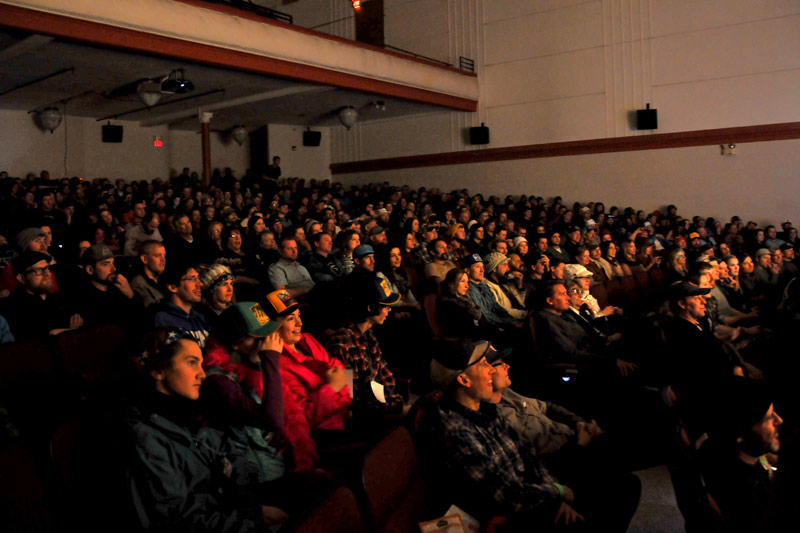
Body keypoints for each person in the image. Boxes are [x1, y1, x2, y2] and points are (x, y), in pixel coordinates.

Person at [126, 327, 328, 531]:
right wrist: (256, 517)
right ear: (158, 370)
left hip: (235, 508)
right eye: (191, 363)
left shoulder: (195, 414)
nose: (201, 374)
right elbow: (178, 519)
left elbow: (239, 472)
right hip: (219, 522)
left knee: (315, 484)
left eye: (200, 363)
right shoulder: (145, 435)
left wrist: (266, 500)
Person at [431, 339, 637, 530]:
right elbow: (505, 495)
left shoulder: (485, 410)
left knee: (626, 485)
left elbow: (528, 455)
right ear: (464, 379)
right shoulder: (456, 431)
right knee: (616, 495)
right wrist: (558, 493)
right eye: (483, 365)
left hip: (540, 490)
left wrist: (557, 492)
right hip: (517, 515)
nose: (490, 372)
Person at [262, 289, 351, 471]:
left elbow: (346, 379)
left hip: (347, 418)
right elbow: (300, 421)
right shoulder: (277, 365)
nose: (299, 323)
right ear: (272, 326)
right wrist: (332, 389)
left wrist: (338, 391)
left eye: (299, 316)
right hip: (322, 438)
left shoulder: (309, 340)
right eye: (290, 319)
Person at [699, 377, 783, 532]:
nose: (779, 420)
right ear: (740, 433)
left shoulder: (716, 449)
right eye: (769, 417)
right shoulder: (747, 498)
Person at [328, 276, 406, 424]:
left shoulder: (369, 335)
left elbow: (385, 376)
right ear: (370, 308)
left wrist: (396, 403)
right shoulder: (342, 342)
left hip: (383, 409)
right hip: (364, 418)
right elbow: (351, 398)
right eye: (384, 306)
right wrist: (397, 409)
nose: (389, 310)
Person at [2, 250, 80, 340]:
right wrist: (70, 331)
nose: (47, 273)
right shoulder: (13, 306)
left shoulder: (59, 299)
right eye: (38, 270)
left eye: (47, 268)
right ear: (21, 278)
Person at [153, 261, 211, 348]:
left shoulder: (201, 318)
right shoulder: (163, 320)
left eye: (198, 278)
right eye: (192, 278)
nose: (200, 284)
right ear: (173, 287)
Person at [130, 240, 167, 311]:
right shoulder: (139, 285)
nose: (163, 260)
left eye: (164, 255)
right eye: (158, 255)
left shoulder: (164, 280)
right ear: (144, 259)